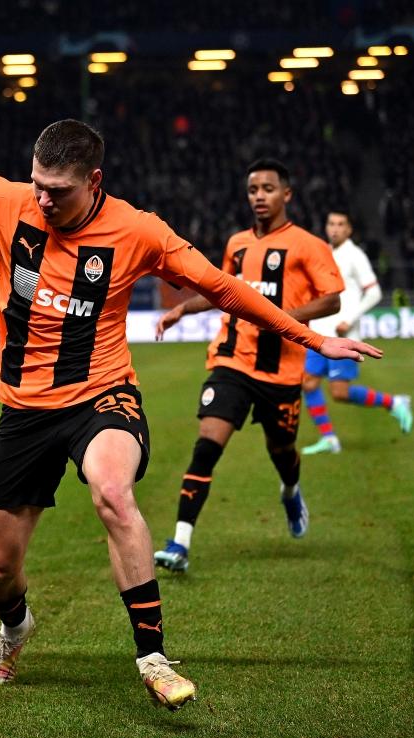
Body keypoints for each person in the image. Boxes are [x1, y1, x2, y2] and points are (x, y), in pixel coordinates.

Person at [0, 122, 380, 710]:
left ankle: (153, 657)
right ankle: (15, 629)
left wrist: (314, 339)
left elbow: (223, 288)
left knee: (114, 494)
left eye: (58, 190)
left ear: (94, 181)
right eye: (38, 184)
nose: (44, 199)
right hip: (24, 410)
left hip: (103, 394)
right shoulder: (1, 199)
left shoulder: (139, 230)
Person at [154, 159, 347, 575]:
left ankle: (290, 491)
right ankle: (180, 543)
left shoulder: (308, 245)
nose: (259, 196)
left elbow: (332, 300)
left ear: (286, 194)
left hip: (281, 371)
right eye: (253, 190)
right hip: (232, 361)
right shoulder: (237, 244)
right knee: (207, 445)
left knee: (282, 451)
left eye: (268, 189)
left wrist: (282, 317)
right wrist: (184, 308)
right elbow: (222, 291)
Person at [301, 210, 412, 455]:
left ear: (349, 229)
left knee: (339, 392)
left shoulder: (355, 255)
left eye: (341, 224)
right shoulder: (323, 252)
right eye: (331, 223)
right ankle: (329, 439)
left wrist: (349, 319)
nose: (335, 228)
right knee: (308, 383)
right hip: (318, 333)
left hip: (343, 335)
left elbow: (374, 292)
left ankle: (394, 402)